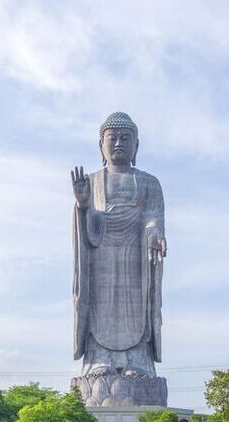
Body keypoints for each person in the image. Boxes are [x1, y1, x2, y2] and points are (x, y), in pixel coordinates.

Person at [70, 112, 168, 406]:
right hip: (100, 256)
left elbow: (153, 217)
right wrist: (83, 205)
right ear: (101, 145)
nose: (118, 144)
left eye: (126, 139)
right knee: (99, 305)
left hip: (135, 258)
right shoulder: (93, 181)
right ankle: (99, 361)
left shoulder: (150, 183)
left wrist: (154, 234)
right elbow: (85, 225)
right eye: (112, 139)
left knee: (138, 306)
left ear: (136, 146)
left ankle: (137, 363)